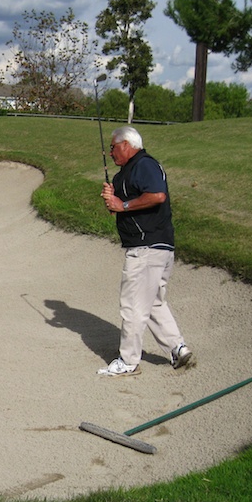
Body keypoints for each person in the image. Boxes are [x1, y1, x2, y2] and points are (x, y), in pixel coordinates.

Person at [97, 125, 194, 377]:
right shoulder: (123, 175)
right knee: (153, 302)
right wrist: (112, 199)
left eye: (113, 147)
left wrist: (123, 203)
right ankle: (177, 348)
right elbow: (118, 209)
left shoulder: (144, 164)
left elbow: (157, 195)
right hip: (155, 247)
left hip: (146, 247)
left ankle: (128, 361)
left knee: (132, 305)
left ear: (127, 144)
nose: (110, 152)